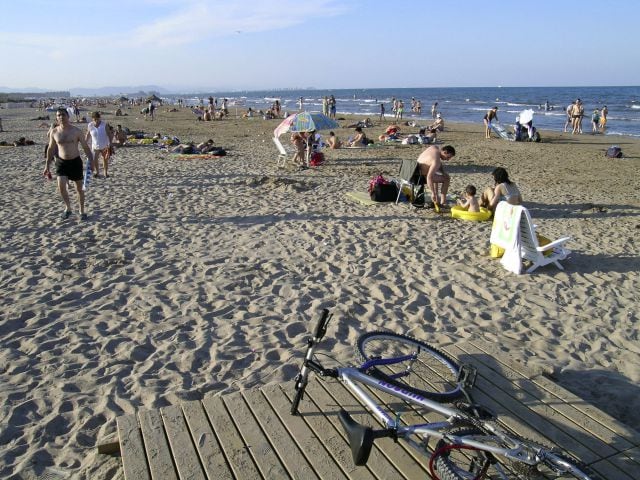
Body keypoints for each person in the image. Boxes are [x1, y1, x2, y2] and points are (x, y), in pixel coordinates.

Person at [44, 108, 93, 220]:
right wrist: (47, 165)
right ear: (56, 117)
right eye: (59, 115)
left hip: (75, 161)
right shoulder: (54, 132)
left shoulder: (76, 131)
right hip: (61, 162)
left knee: (79, 189)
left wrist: (91, 161)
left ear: (68, 116)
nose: (61, 117)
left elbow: (85, 147)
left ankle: (81, 211)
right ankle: (68, 208)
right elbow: (51, 149)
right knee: (61, 187)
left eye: (63, 115)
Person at [86, 112, 113, 177]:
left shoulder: (104, 125)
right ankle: (97, 172)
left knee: (105, 160)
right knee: (95, 159)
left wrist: (110, 143)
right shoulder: (90, 125)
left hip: (104, 145)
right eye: (94, 119)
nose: (96, 121)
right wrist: (85, 142)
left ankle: (105, 172)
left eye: (97, 119)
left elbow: (109, 134)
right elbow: (88, 135)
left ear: (99, 118)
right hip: (95, 146)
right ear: (92, 119)